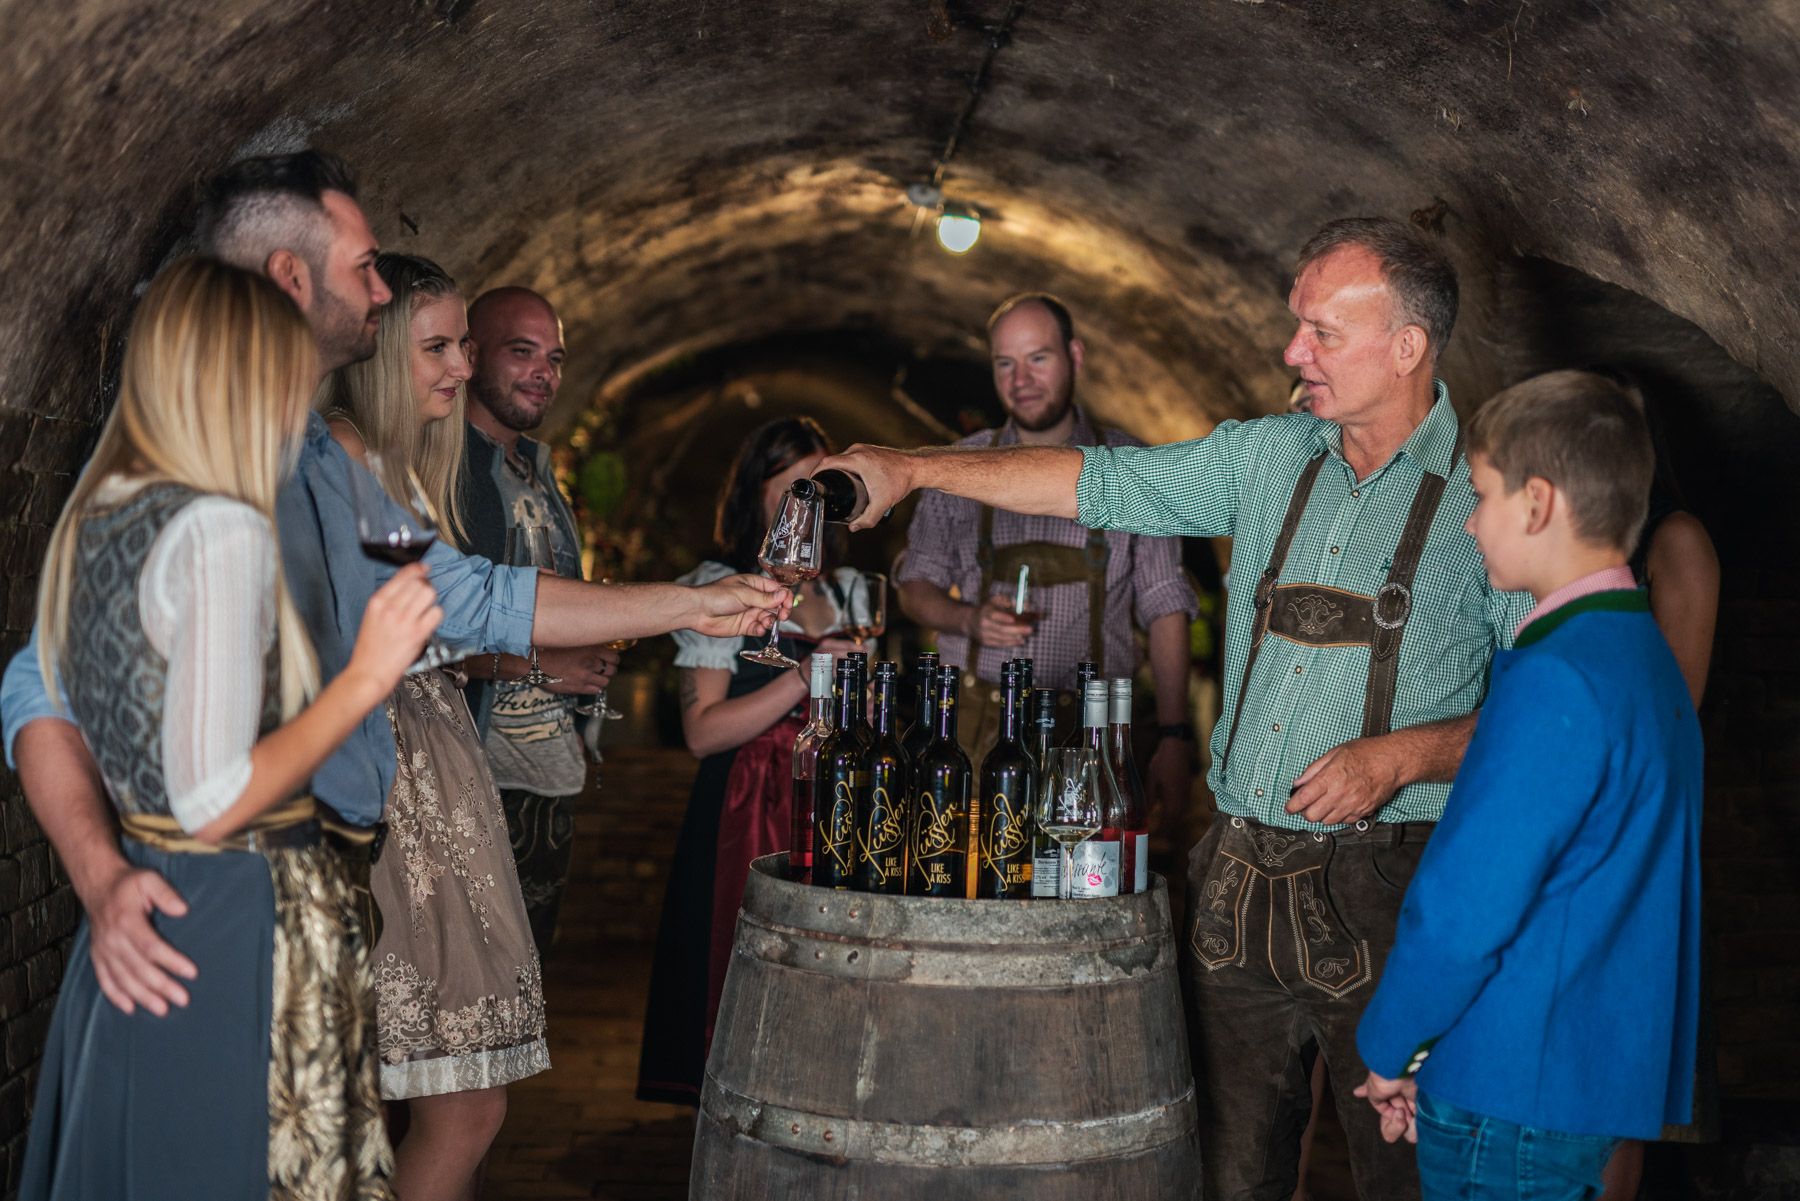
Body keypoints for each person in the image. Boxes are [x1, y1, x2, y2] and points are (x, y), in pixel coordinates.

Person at [0, 151, 785, 1048]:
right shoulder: (195, 470)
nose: (382, 291)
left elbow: (475, 593)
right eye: (366, 266)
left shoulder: (333, 471)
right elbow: (41, 683)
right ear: (292, 277)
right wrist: (101, 877)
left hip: (319, 895)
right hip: (216, 914)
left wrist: (689, 608)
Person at [821, 217, 1535, 1200]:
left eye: (1323, 332)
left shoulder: (1489, 494)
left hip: (1394, 889)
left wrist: (1406, 754)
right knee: (1224, 1168)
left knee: (1403, 1169)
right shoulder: (1266, 458)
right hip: (1239, 878)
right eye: (1297, 326)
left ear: (1407, 346)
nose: (1293, 353)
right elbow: (1094, 482)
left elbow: (1545, 709)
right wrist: (912, 467)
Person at [19, 256, 440, 1200]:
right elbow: (211, 797)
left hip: (137, 913)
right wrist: (366, 676)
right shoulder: (220, 530)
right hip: (232, 917)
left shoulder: (98, 514)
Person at [1353, 370, 1704, 1201]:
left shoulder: (1557, 676)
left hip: (1510, 1085)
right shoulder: (1641, 655)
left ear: (1539, 503)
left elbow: (1466, 907)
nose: (1470, 521)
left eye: (1481, 494)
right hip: (1587, 1074)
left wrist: (1392, 1047)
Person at [324, 253, 550, 1201]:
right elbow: (466, 601)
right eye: (440, 345)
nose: (461, 366)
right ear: (377, 353)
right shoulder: (344, 454)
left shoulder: (397, 468)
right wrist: (684, 605)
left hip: (430, 761)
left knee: (456, 1097)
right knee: (456, 1102)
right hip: (390, 774)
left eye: (463, 344)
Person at [636, 417, 865, 1107]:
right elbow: (702, 732)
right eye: (794, 486)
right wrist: (803, 676)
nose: (808, 504)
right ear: (756, 493)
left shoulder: (849, 590)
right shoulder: (716, 585)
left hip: (832, 801)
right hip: (747, 801)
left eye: (822, 488)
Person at [895, 294, 1199, 813]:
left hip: (1092, 731)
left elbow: (1165, 603)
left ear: (1075, 357)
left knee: (1084, 885)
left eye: (1038, 359)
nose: (1021, 380)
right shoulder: (958, 468)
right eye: (1005, 364)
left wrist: (1173, 733)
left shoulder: (1134, 466)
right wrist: (966, 618)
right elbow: (914, 587)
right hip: (975, 730)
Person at [457, 286, 619, 958]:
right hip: (475, 778)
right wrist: (550, 666)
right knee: (466, 1005)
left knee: (518, 1001)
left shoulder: (539, 470)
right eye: (522, 352)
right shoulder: (448, 473)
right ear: (469, 355)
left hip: (548, 778)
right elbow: (419, 643)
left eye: (552, 357)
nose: (543, 372)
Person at [1594, 366, 1721, 1201]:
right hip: (1567, 825)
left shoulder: (1674, 539)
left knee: (1613, 1070)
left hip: (1626, 832)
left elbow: (1675, 706)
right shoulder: (1576, 541)